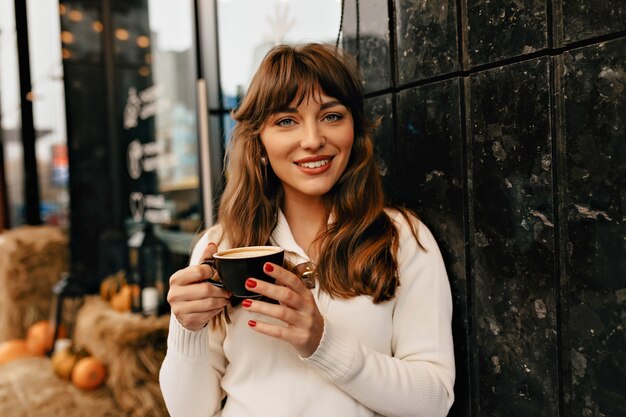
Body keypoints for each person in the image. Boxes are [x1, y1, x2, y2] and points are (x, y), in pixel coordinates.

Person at [159, 43, 455, 417]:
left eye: (331, 116)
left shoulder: (402, 239)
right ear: (260, 143)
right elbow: (189, 411)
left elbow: (434, 401)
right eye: (286, 121)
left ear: (355, 129)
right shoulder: (224, 247)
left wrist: (322, 342)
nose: (313, 139)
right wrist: (186, 329)